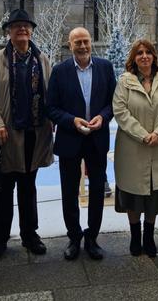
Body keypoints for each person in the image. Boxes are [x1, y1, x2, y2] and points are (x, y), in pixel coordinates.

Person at [0, 9, 53, 259]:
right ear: (8, 31)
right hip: (6, 134)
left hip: (34, 132)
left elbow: (50, 93)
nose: (22, 29)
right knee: (4, 187)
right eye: (17, 26)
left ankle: (29, 234)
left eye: (26, 26)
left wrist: (53, 118)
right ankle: (0, 239)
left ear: (31, 31)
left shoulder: (41, 59)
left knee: (28, 186)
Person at [47, 28, 116, 261]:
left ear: (91, 43)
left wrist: (103, 117)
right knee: (69, 192)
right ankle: (74, 237)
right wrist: (71, 120)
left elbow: (113, 103)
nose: (83, 46)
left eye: (86, 41)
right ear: (70, 45)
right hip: (70, 138)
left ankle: (93, 238)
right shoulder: (59, 72)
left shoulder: (105, 68)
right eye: (78, 42)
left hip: (96, 139)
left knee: (97, 190)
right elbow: (51, 108)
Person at [113, 39, 158, 258]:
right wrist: (143, 135)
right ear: (134, 58)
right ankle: (134, 236)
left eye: (148, 52)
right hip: (133, 147)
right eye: (139, 53)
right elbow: (121, 112)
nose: (144, 56)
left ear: (154, 56)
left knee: (154, 193)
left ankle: (149, 236)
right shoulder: (125, 82)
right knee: (133, 193)